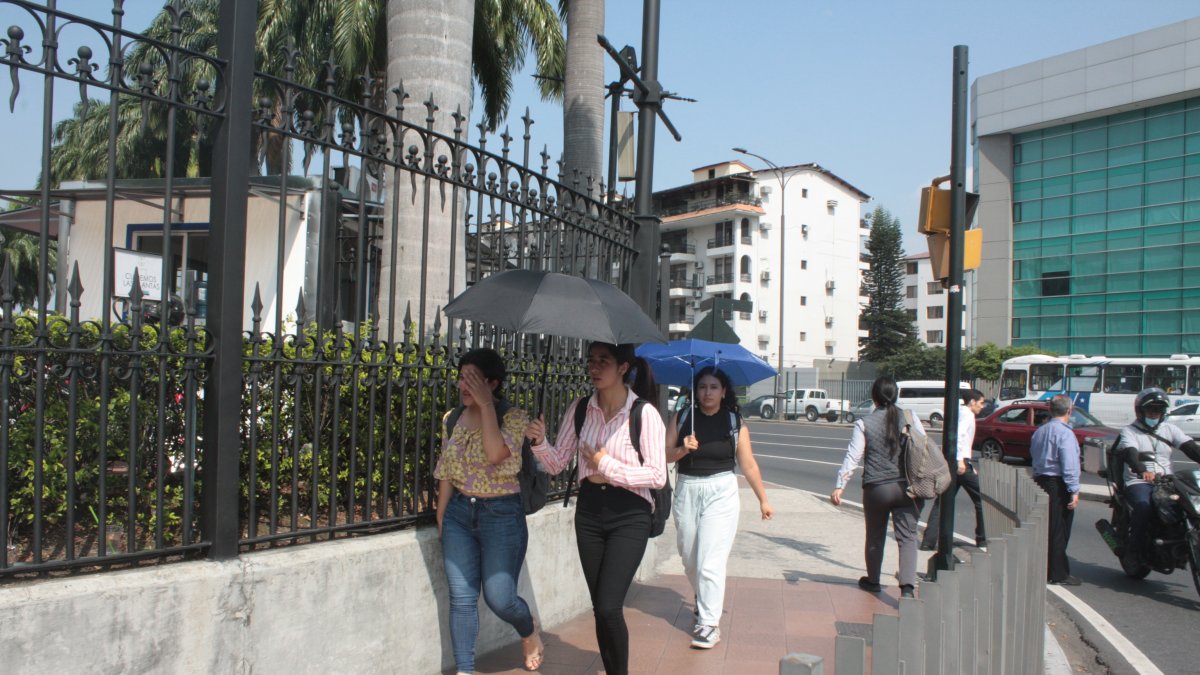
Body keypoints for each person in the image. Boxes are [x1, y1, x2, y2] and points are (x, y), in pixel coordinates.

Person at [524, 342, 666, 675]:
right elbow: (558, 463)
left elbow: (657, 475)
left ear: (623, 368)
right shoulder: (579, 409)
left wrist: (608, 465)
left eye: (604, 361)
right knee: (600, 609)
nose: (595, 367)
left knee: (608, 605)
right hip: (588, 511)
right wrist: (539, 442)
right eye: (591, 361)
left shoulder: (643, 414)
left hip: (630, 513)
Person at [433, 348, 543, 674]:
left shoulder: (514, 417)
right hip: (458, 515)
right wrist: (442, 517)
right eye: (461, 378)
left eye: (473, 380)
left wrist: (485, 408)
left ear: (492, 383)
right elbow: (446, 472)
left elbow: (496, 454)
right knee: (462, 599)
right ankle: (465, 670)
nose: (463, 385)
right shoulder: (451, 418)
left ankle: (528, 629)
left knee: (500, 598)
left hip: (501, 516)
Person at [665, 366, 773, 649]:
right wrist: (683, 449)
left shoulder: (734, 421)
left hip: (722, 490)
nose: (707, 392)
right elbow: (664, 455)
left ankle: (710, 624)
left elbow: (748, 463)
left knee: (710, 561)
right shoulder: (683, 417)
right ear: (695, 390)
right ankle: (703, 600)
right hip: (688, 488)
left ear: (724, 391)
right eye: (702, 386)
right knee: (689, 558)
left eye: (714, 387)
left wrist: (763, 498)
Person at [830, 376, 925, 599]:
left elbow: (853, 457)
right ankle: (908, 589)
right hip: (907, 488)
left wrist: (839, 486)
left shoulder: (864, 423)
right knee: (908, 537)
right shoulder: (911, 419)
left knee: (875, 535)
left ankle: (873, 581)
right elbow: (923, 449)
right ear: (897, 395)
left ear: (874, 397)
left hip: (877, 488)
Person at [1113, 387, 1200, 568]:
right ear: (1140, 411)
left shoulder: (1170, 429)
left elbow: (1190, 447)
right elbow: (1130, 453)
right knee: (1144, 507)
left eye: (1159, 410)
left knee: (1192, 505)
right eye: (1151, 410)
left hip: (1168, 480)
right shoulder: (1129, 431)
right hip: (1139, 481)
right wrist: (1141, 469)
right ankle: (1133, 551)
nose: (1154, 414)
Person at [920, 389, 988, 552]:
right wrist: (961, 462)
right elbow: (959, 437)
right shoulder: (967, 414)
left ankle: (928, 541)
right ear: (972, 402)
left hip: (958, 462)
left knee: (943, 501)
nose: (982, 406)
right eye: (981, 402)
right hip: (960, 464)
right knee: (983, 500)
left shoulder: (961, 412)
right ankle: (982, 539)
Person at [1029, 394, 1081, 585]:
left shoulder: (1040, 431)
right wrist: (1074, 490)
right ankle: (1058, 573)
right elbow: (1069, 464)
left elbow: (1033, 454)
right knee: (1060, 529)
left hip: (1041, 480)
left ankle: (1046, 568)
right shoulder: (1065, 433)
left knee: (1047, 527)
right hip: (1058, 483)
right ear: (1069, 411)